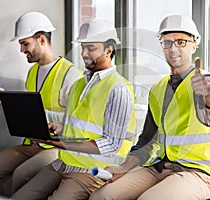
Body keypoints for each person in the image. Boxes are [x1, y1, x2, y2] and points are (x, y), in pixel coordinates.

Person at [89, 15, 210, 200]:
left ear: (194, 45)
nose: (173, 48)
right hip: (160, 167)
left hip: (197, 173)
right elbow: (147, 140)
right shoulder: (158, 89)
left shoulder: (206, 80)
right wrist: (123, 168)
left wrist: (207, 90)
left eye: (181, 42)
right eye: (167, 43)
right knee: (101, 196)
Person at [10, 18, 136, 200]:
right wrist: (60, 129)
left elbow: (112, 144)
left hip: (92, 170)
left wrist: (62, 143)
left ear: (109, 50)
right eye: (82, 47)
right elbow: (80, 124)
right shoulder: (79, 85)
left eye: (91, 48)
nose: (84, 53)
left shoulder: (118, 89)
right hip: (65, 161)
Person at [0, 11, 83, 197]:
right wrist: (9, 102)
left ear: (42, 40)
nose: (22, 50)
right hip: (31, 143)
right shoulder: (32, 73)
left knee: (19, 175)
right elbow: (30, 111)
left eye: (24, 43)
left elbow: (79, 122)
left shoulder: (72, 75)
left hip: (56, 147)